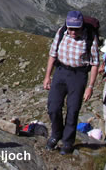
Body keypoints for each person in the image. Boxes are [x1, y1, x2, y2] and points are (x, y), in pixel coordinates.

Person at [43, 11, 99, 155]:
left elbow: (94, 63)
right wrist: (47, 76)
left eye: (76, 28)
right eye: (71, 28)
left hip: (79, 75)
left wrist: (90, 86)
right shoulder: (62, 32)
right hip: (61, 71)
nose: (73, 32)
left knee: (73, 110)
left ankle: (67, 142)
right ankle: (56, 134)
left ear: (82, 26)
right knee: (53, 106)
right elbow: (52, 54)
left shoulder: (90, 37)